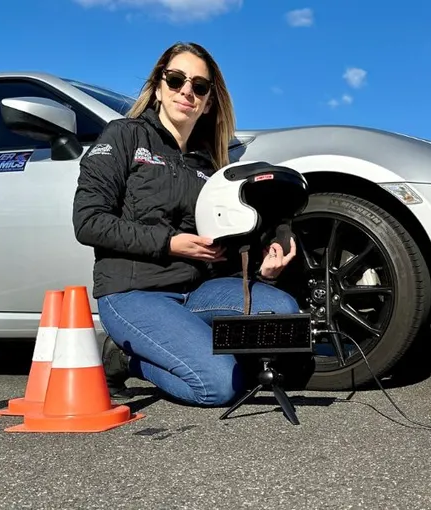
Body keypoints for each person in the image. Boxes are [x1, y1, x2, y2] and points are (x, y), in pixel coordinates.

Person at [71, 42, 302, 407]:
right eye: (176, 79)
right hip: (133, 292)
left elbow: (231, 240)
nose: (186, 91)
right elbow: (89, 222)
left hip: (195, 293)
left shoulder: (210, 166)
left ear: (209, 101)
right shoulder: (124, 135)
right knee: (220, 386)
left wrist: (267, 261)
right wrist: (170, 243)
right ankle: (126, 357)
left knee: (284, 313)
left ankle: (186, 344)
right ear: (159, 87)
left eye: (199, 86)